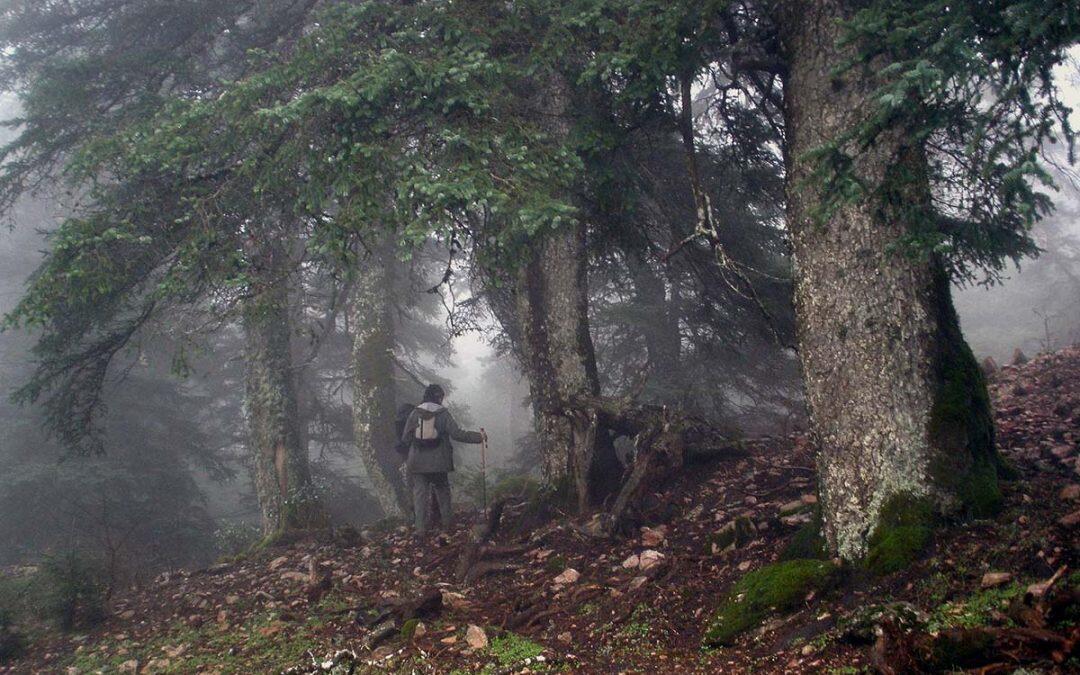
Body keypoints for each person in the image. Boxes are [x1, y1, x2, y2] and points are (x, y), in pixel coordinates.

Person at [400, 383, 485, 535]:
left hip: (417, 462)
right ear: (438, 397)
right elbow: (457, 434)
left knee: (419, 496)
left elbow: (405, 438)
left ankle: (420, 530)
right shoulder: (443, 413)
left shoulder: (415, 413)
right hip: (439, 462)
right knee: (443, 493)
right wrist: (479, 437)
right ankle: (447, 526)